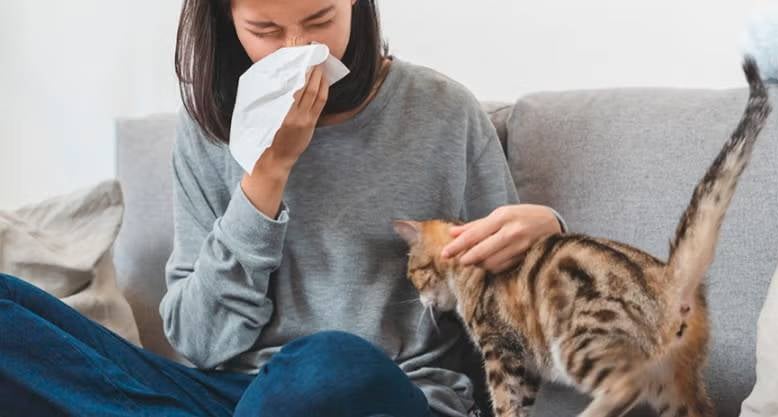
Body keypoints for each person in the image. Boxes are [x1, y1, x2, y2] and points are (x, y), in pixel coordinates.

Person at [0, 0, 566, 416]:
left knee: (329, 364)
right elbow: (199, 342)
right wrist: (265, 177)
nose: (299, 49)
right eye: (265, 30)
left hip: (385, 390)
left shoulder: (444, 111)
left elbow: (510, 320)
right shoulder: (208, 133)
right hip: (234, 395)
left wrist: (548, 235)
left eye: (321, 20)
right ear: (227, 23)